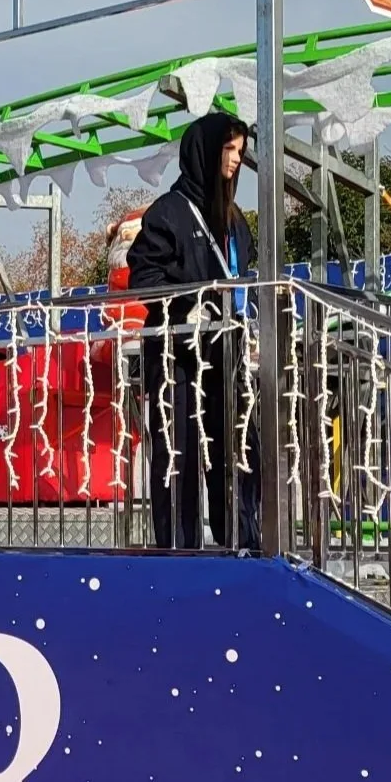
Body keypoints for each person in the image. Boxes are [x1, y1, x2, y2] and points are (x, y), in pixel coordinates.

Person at [125, 110, 261, 550]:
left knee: (237, 452)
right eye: (228, 149)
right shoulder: (169, 212)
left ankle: (241, 542)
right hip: (178, 361)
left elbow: (245, 277)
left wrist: (250, 317)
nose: (236, 159)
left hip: (228, 357)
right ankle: (180, 551)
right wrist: (190, 307)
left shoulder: (235, 219)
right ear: (204, 150)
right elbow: (144, 279)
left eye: (240, 151)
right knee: (178, 459)